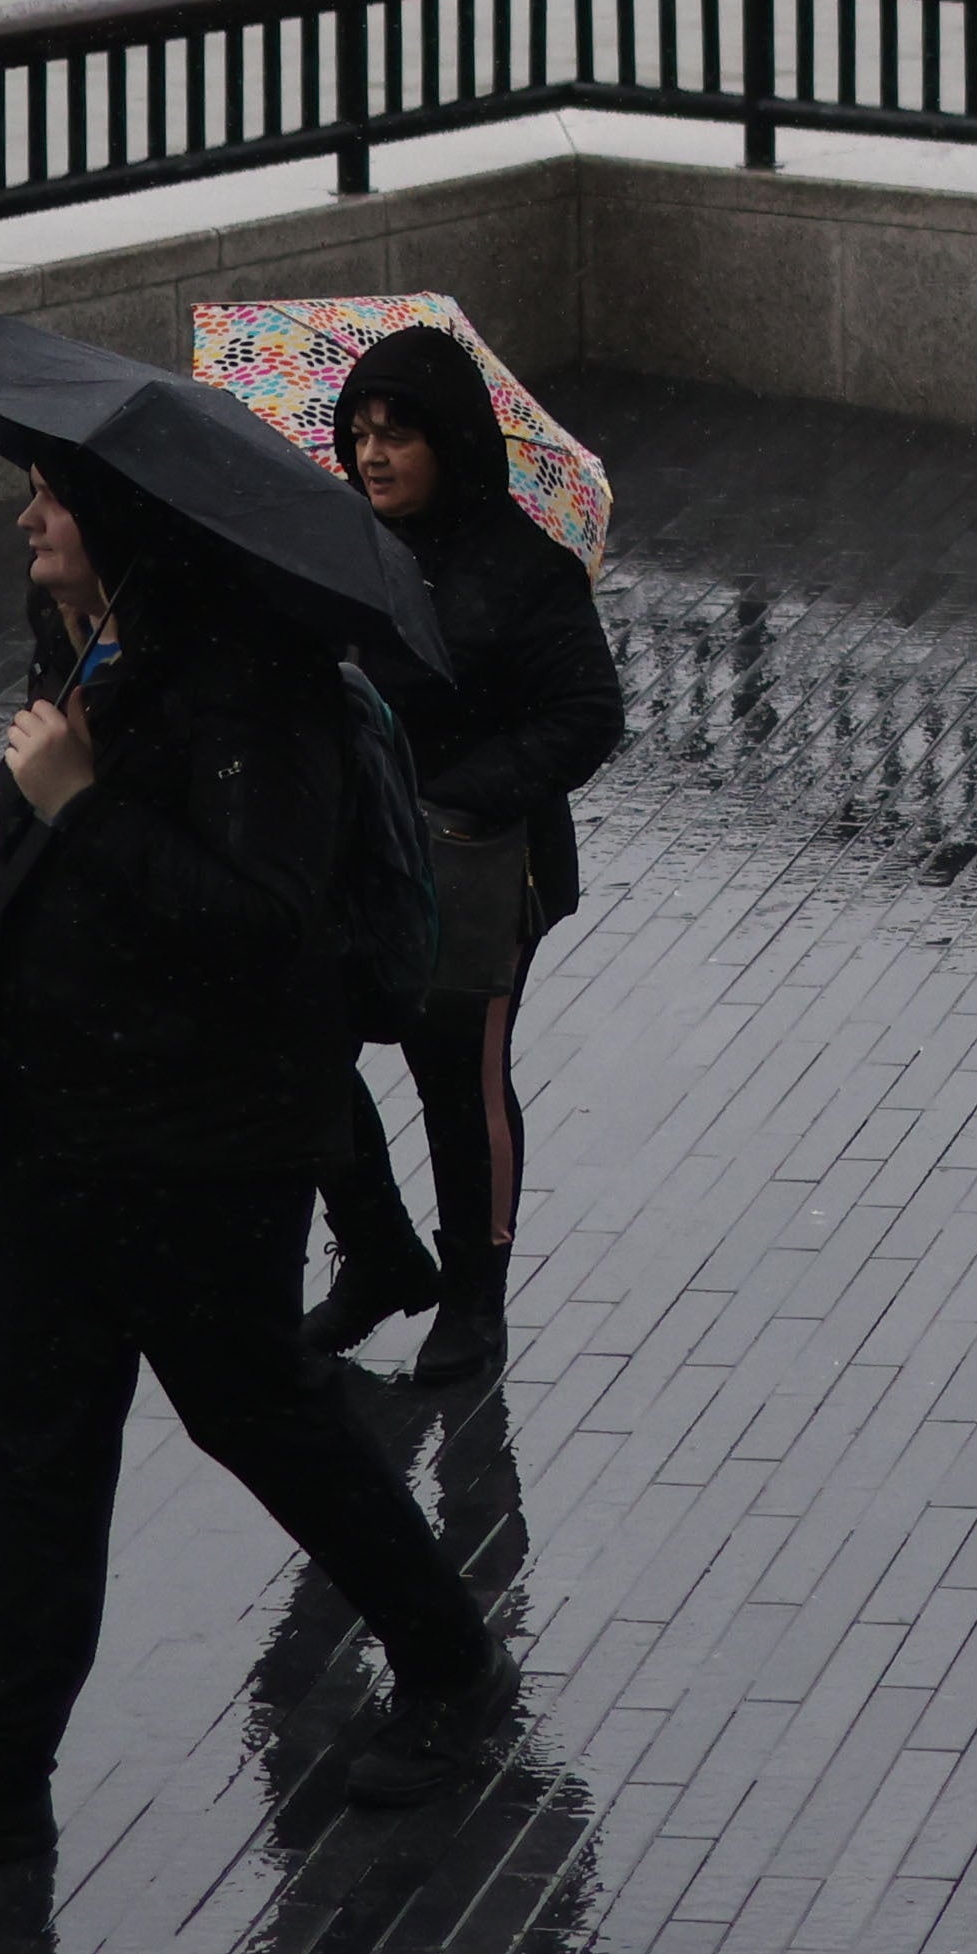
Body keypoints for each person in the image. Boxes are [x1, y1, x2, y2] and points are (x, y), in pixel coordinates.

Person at [0, 454, 510, 1892]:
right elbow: (76, 871)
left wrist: (80, 804)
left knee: (260, 1411)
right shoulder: (82, 654)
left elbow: (263, 925)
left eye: (51, 500)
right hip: (58, 1140)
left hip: (204, 1149)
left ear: (124, 522)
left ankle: (451, 1660)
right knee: (43, 1453)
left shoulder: (261, 690)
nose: (26, 520)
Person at [297, 328, 625, 1390]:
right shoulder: (337, 549)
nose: (374, 454)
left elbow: (583, 717)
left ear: (452, 439)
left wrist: (452, 796)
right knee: (297, 1043)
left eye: (399, 433)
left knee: (458, 1079)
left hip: (478, 866)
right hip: (354, 859)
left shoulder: (523, 568)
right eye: (359, 435)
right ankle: (382, 1251)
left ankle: (474, 1302)